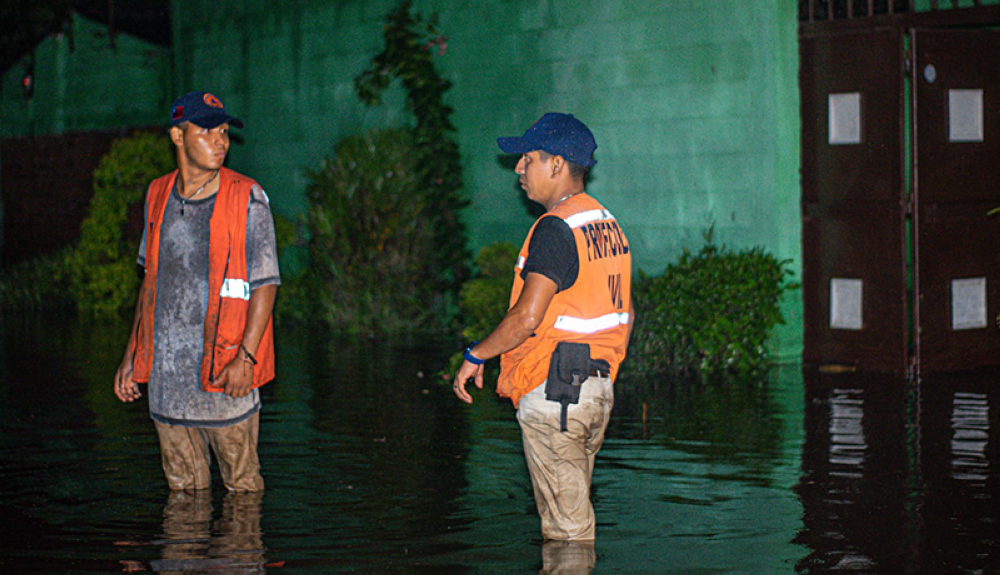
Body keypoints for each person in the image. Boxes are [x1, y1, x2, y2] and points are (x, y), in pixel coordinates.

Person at [453, 113, 633, 543]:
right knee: (572, 521)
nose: (518, 168)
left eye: (528, 158)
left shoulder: (556, 228)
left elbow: (526, 317)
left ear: (556, 164)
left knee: (567, 536)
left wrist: (477, 354)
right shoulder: (606, 225)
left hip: (557, 392)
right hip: (594, 390)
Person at [113, 91, 280, 492]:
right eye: (207, 131)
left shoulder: (247, 197)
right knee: (184, 500)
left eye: (224, 131)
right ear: (177, 136)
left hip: (227, 379)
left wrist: (247, 358)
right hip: (169, 389)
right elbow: (150, 283)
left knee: (242, 494)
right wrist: (130, 357)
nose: (220, 140)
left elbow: (265, 284)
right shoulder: (157, 195)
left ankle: (239, 558)